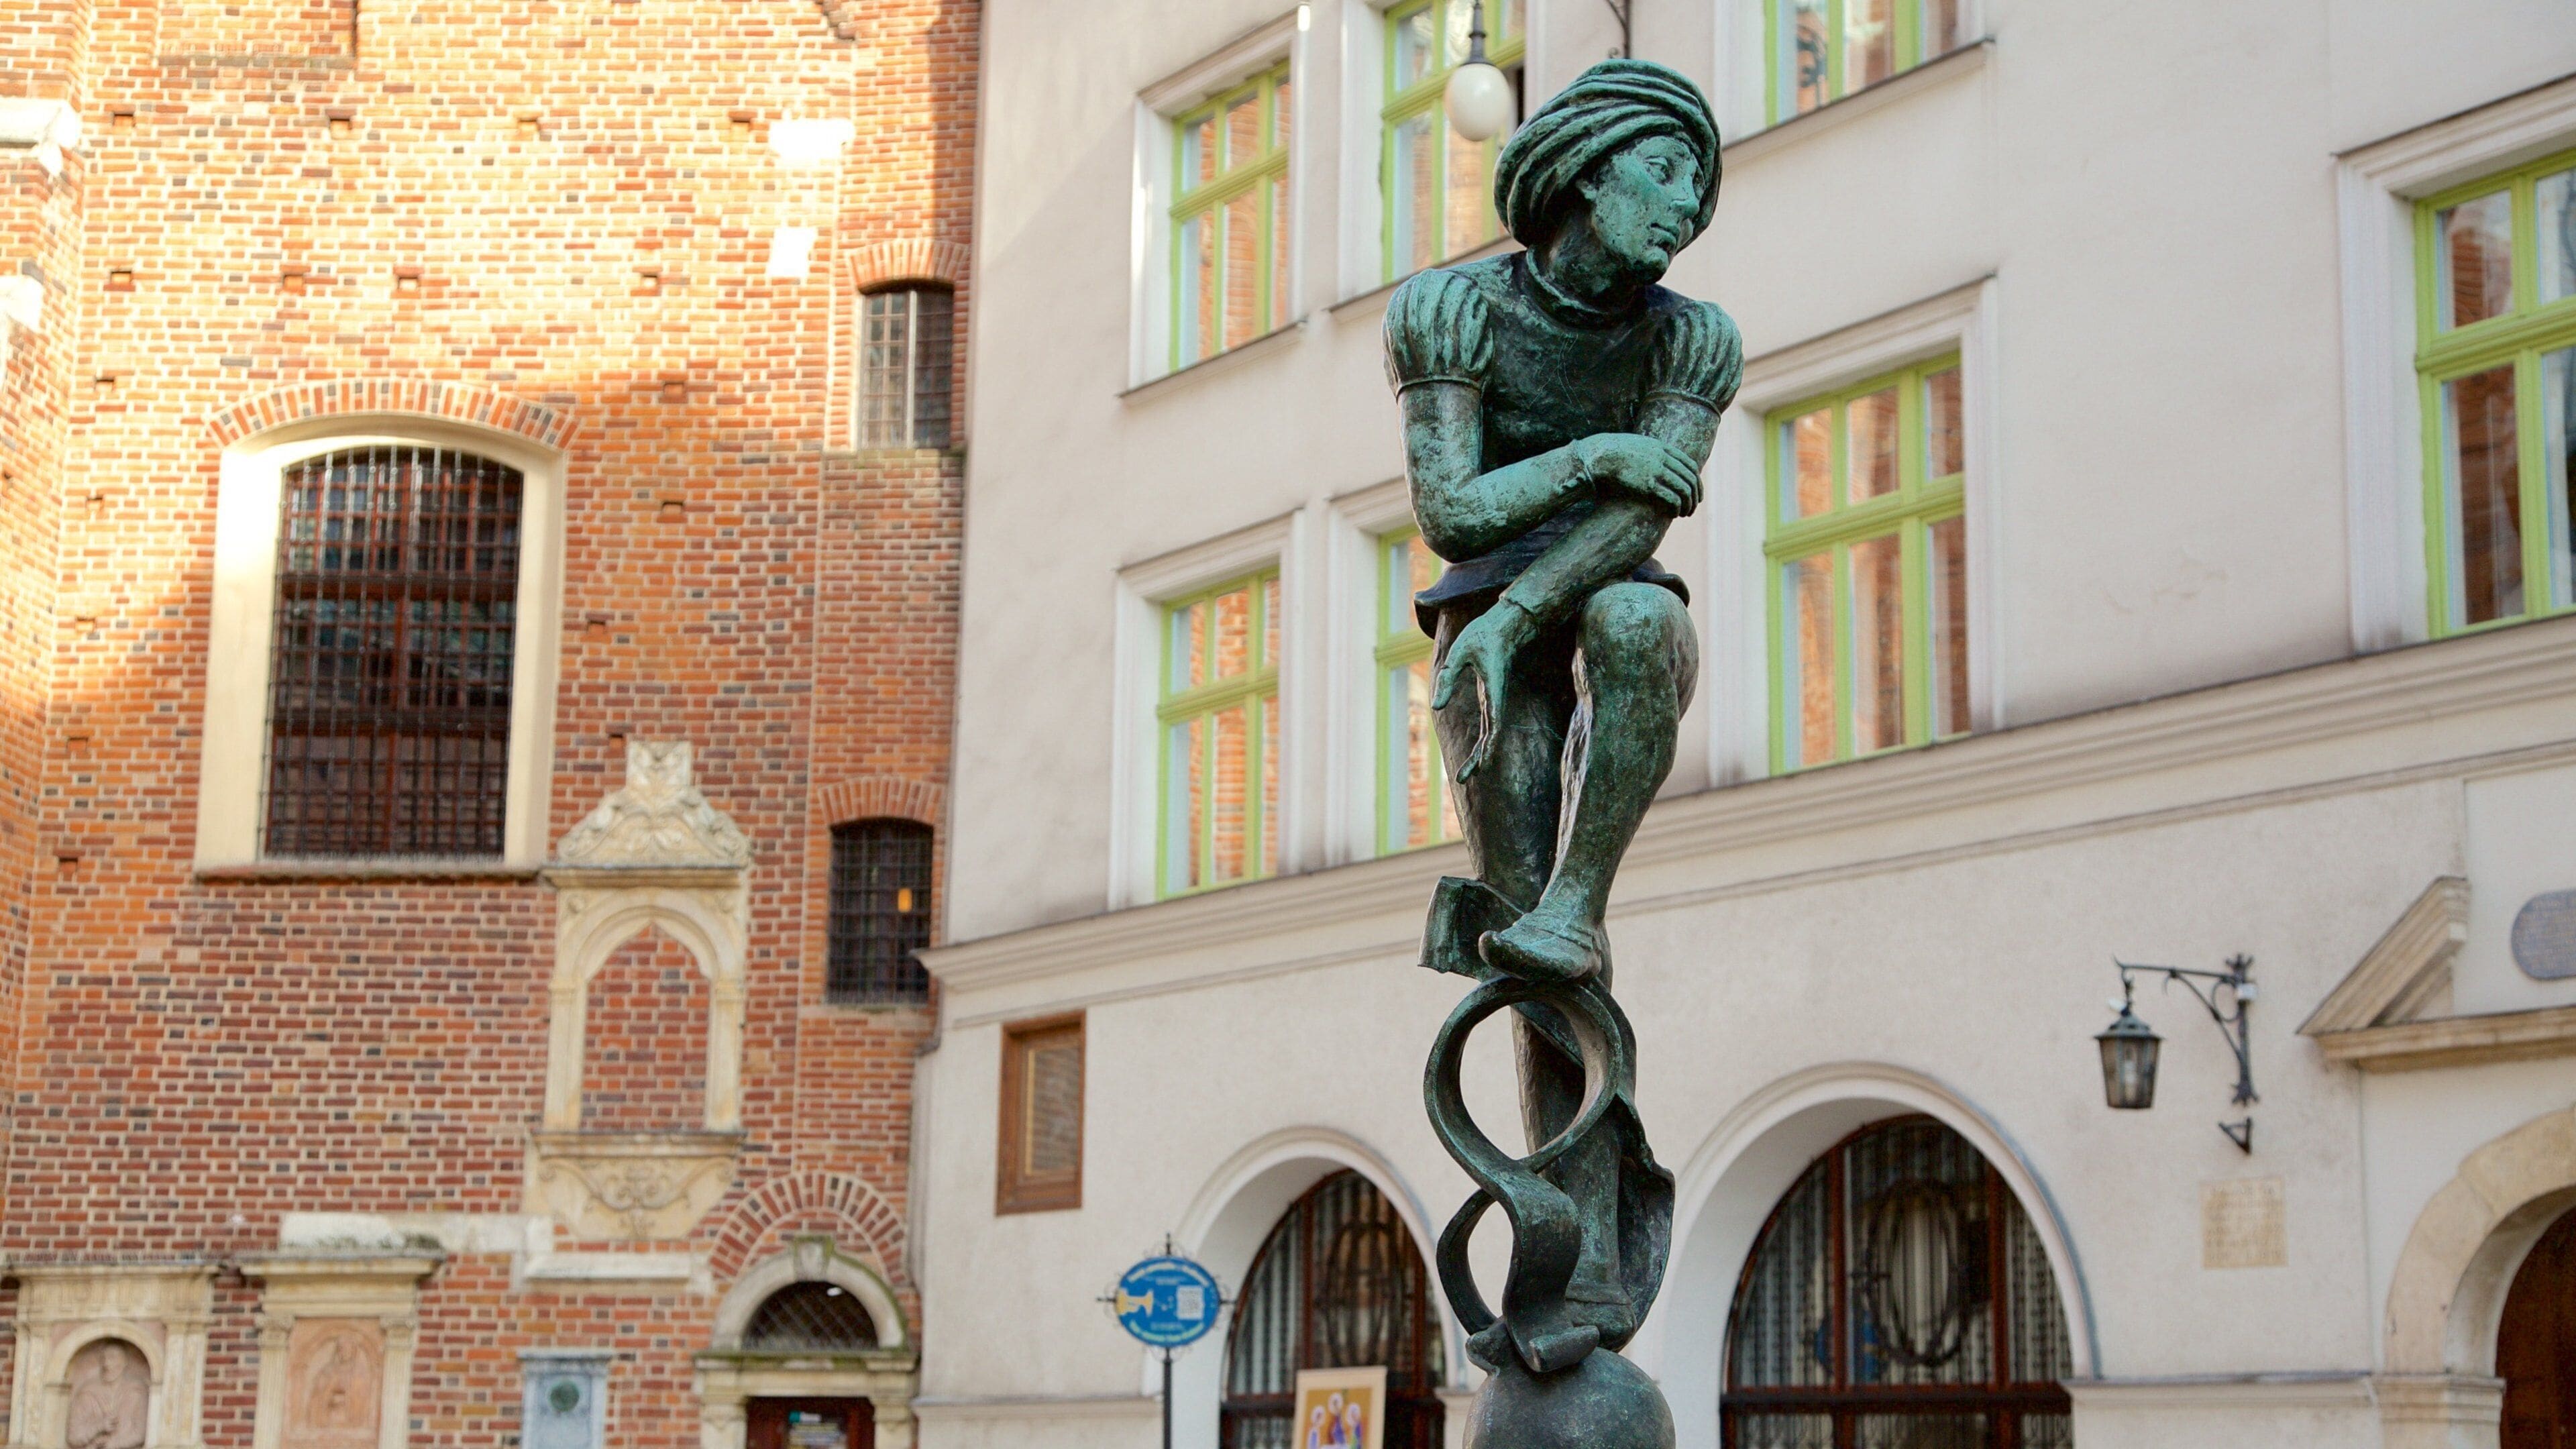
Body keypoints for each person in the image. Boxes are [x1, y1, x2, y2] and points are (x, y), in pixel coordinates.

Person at [1387, 57, 1737, 1362]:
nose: (1689, 205)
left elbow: (1653, 517)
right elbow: (1450, 509)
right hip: (1476, 633)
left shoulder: (1694, 339)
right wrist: (1592, 454)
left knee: (1644, 617)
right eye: (1668, 172)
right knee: (1538, 984)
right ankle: (1569, 1270)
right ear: (1591, 170)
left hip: (1565, 612)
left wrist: (1527, 615)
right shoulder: (1451, 311)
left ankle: (1575, 907)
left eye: (1703, 184)